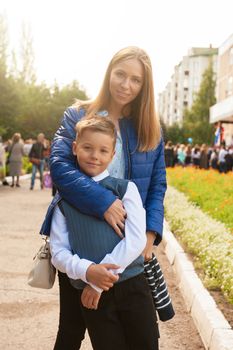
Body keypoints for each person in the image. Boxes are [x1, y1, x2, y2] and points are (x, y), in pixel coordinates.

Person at [40, 46, 167, 349]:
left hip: (127, 244)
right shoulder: (78, 115)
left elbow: (157, 185)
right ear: (109, 72)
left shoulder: (149, 128)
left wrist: (149, 234)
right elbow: (59, 166)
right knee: (71, 329)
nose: (126, 84)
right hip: (80, 239)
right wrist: (104, 202)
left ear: (144, 86)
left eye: (136, 80)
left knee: (135, 330)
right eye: (120, 74)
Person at [50, 116, 159, 350]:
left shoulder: (126, 189)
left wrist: (100, 280)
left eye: (102, 150)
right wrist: (88, 271)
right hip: (91, 295)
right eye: (87, 148)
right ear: (75, 148)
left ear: (112, 155)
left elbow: (136, 239)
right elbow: (58, 252)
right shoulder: (64, 200)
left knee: (146, 344)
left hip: (132, 286)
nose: (94, 156)